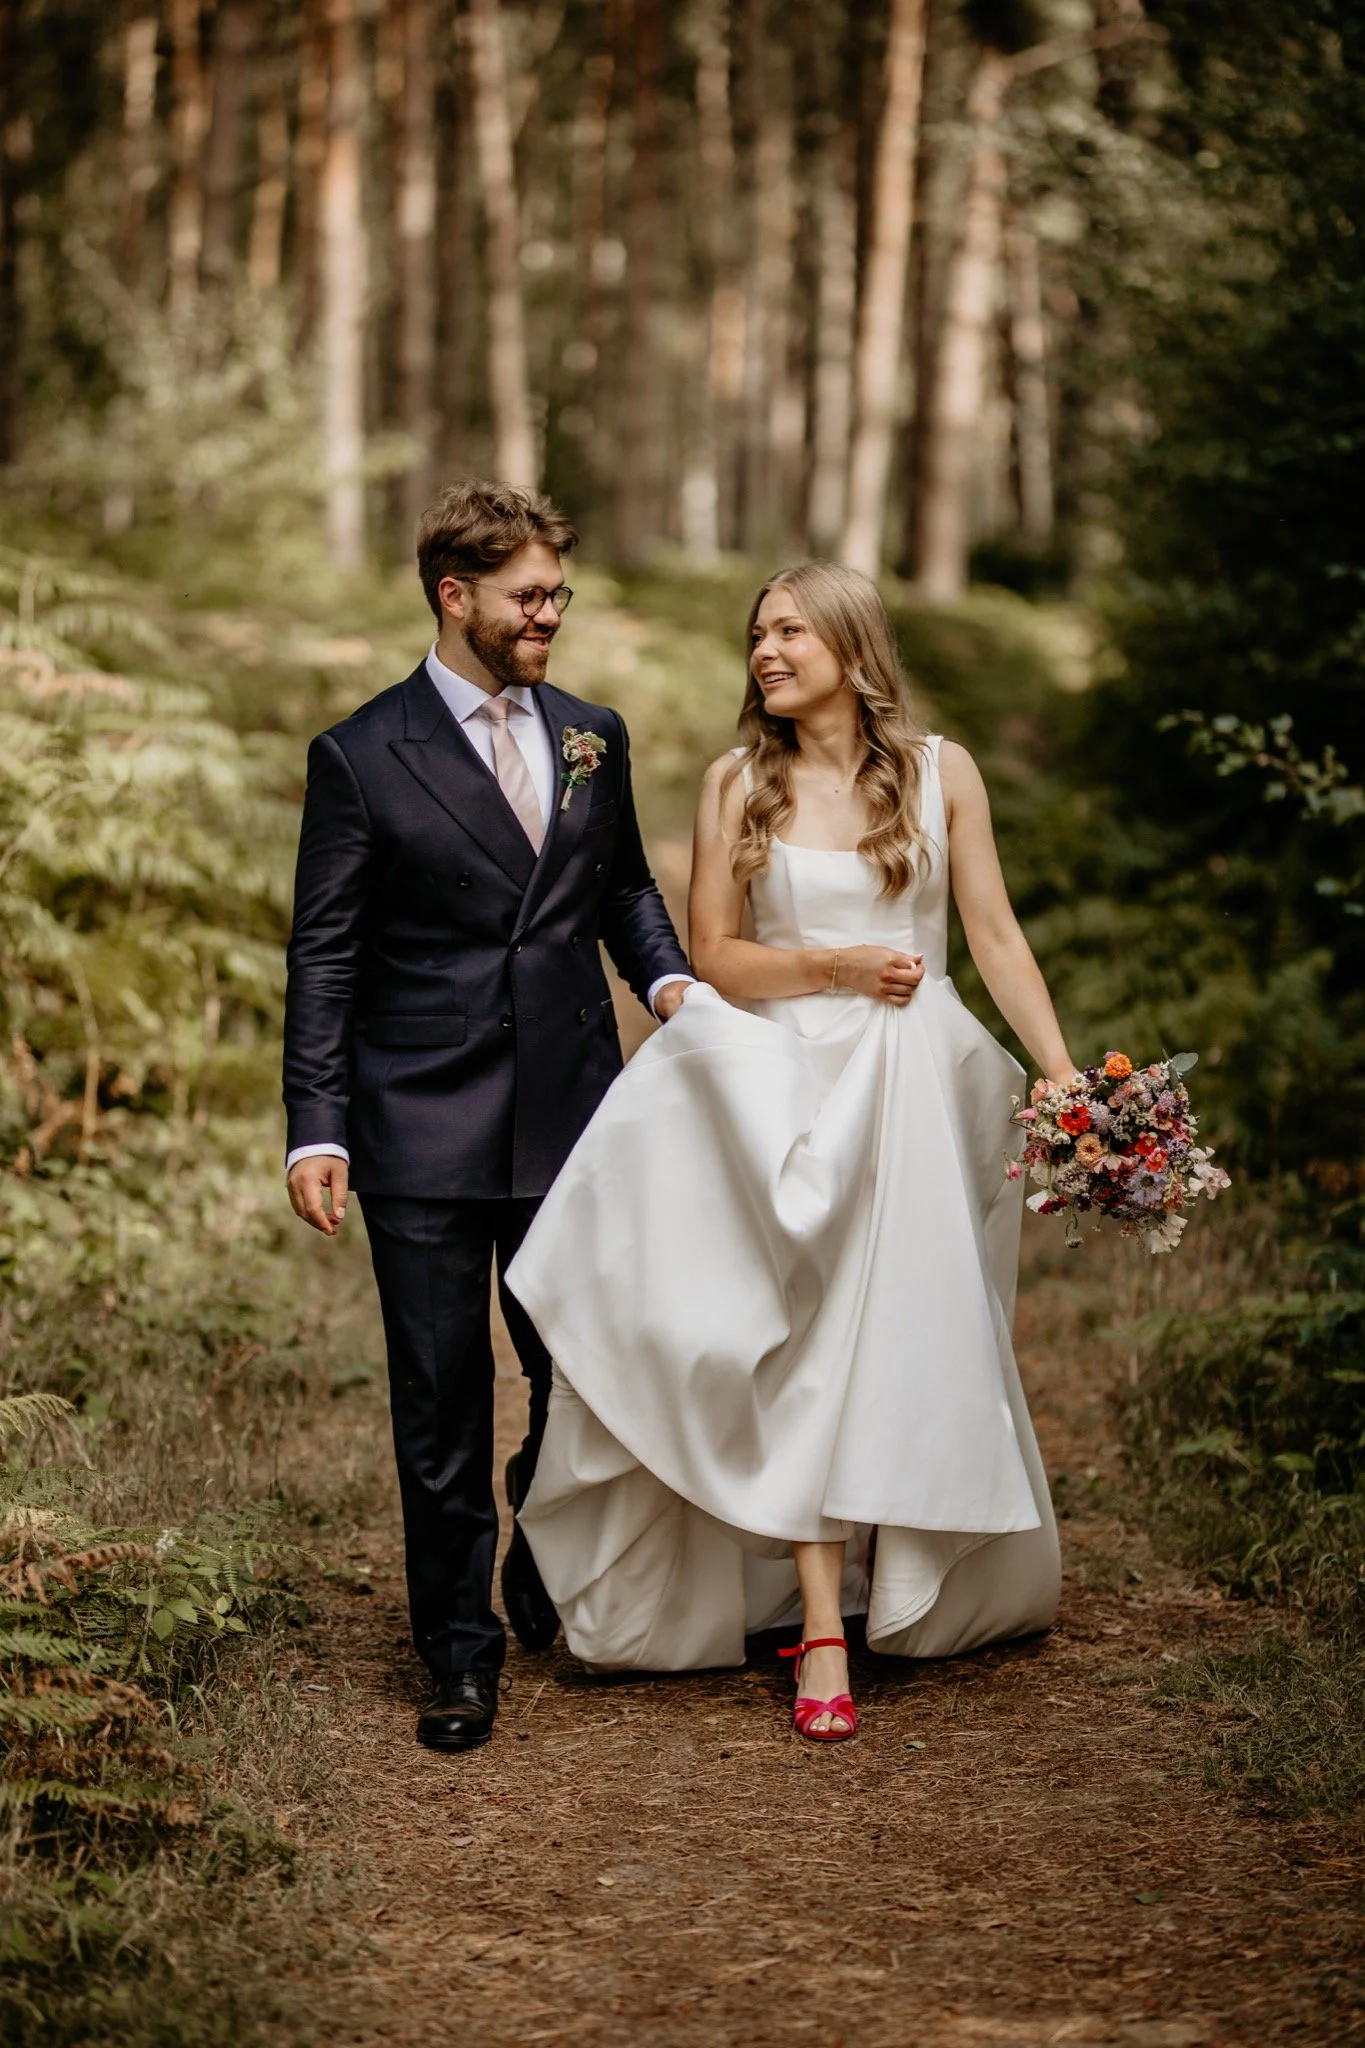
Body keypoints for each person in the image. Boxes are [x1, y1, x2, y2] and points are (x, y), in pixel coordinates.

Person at [507, 561, 1072, 1741]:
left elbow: (994, 934)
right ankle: (819, 1622)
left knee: (898, 1335)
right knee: (803, 1340)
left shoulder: (943, 772)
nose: (765, 650)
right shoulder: (737, 781)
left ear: (854, 649)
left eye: (791, 631)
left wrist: (1064, 1072)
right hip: (784, 1087)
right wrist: (835, 967)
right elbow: (713, 953)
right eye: (758, 633)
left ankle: (888, 1576)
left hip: (915, 1084)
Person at [282, 480, 692, 1754]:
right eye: (527, 595)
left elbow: (624, 889)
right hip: (420, 1123)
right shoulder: (362, 752)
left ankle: (540, 1545)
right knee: (441, 1396)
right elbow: (325, 955)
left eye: (558, 593)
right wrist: (317, 1125)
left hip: (573, 1115)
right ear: (455, 596)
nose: (548, 615)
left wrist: (670, 983)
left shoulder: (591, 734)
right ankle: (458, 1650)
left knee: (578, 1370)